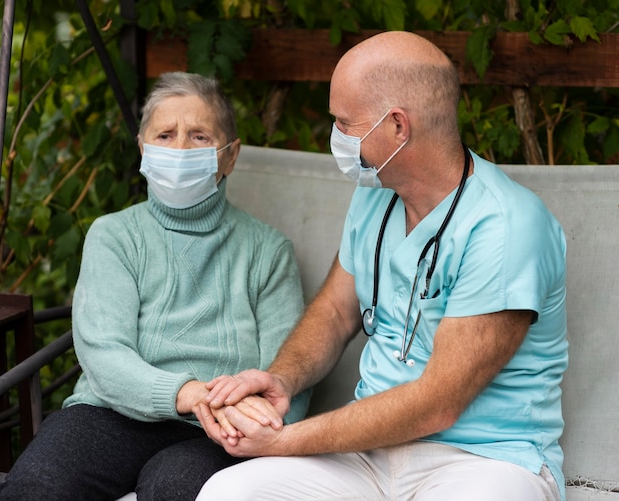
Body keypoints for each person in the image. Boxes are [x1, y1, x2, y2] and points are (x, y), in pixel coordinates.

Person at [195, 31, 569, 501]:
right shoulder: (376, 198)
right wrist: (282, 378)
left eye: (345, 122)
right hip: (368, 456)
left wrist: (284, 441)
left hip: (484, 462)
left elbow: (437, 405)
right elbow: (335, 311)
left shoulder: (507, 226)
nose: (334, 136)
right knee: (228, 494)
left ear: (397, 126)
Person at [0, 72, 309, 501]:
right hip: (111, 414)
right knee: (35, 488)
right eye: (165, 134)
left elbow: (288, 375)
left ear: (230, 156)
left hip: (218, 430)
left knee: (174, 489)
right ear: (143, 150)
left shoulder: (267, 251)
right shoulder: (114, 236)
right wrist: (186, 392)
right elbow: (104, 354)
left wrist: (254, 420)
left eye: (199, 136)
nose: (179, 148)